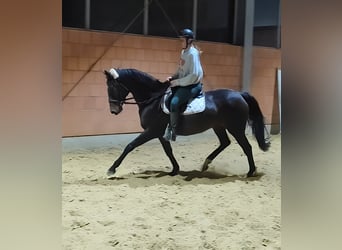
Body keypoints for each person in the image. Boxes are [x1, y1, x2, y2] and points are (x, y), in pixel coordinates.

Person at [163, 28, 204, 141]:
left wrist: (176, 82)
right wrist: (173, 77)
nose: (180, 42)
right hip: (183, 83)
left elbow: (194, 75)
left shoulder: (193, 54)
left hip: (192, 85)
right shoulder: (184, 52)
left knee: (174, 102)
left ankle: (173, 130)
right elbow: (180, 70)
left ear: (189, 40)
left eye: (182, 40)